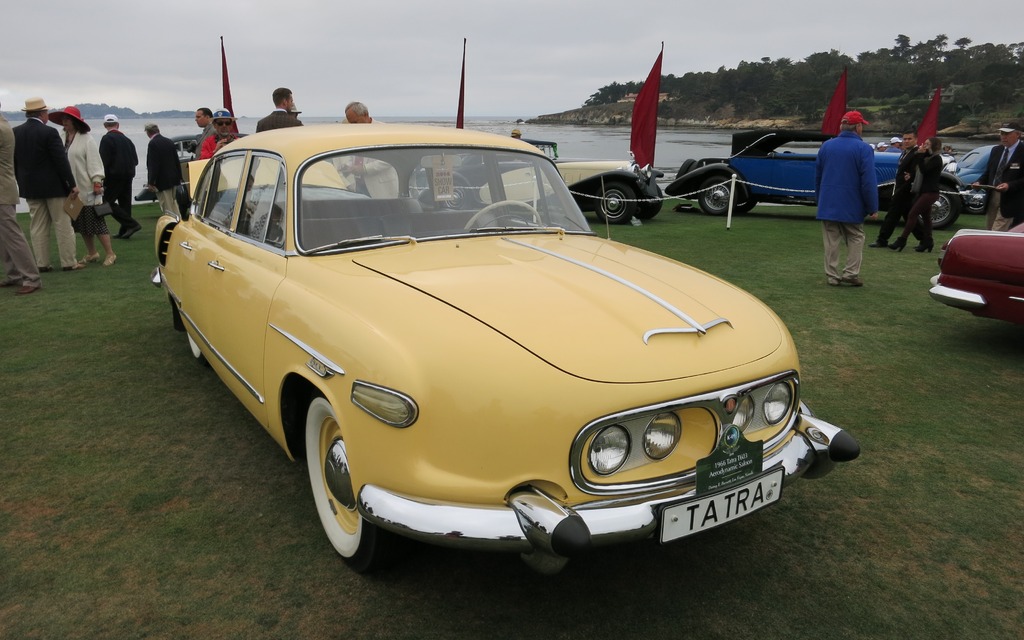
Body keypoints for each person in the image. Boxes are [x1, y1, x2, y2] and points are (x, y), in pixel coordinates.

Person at [11, 97, 82, 272]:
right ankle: (68, 262)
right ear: (42, 113)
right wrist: (71, 184)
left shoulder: (15, 132)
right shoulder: (49, 133)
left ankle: (42, 263)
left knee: (37, 226)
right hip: (54, 187)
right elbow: (61, 161)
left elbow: (14, 161)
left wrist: (20, 182)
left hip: (30, 187)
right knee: (62, 224)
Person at [814, 110, 878, 287]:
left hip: (828, 202)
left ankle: (832, 275)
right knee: (856, 237)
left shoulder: (826, 146)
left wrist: (820, 200)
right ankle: (851, 273)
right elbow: (868, 181)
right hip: (852, 203)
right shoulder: (864, 149)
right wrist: (872, 206)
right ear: (858, 127)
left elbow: (818, 177)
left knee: (831, 240)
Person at [50, 106, 116, 266]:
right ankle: (92, 253)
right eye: (63, 119)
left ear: (75, 121)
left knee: (96, 222)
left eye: (67, 119)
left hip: (87, 188)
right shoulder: (60, 137)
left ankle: (110, 253)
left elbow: (95, 163)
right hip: (70, 189)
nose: (64, 122)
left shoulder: (87, 139)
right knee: (80, 223)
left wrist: (97, 182)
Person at [0, 102, 42, 294]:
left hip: (2, 190)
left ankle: (31, 278)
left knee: (12, 235)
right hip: (4, 188)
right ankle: (14, 274)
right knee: (4, 237)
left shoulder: (1, 128)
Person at [869, 130, 924, 248]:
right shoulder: (905, 152)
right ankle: (925, 240)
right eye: (905, 139)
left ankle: (882, 239)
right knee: (909, 215)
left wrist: (911, 177)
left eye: (909, 139)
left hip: (905, 189)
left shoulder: (917, 153)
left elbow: (919, 168)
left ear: (916, 140)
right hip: (900, 187)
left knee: (892, 214)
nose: (907, 141)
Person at [890, 137, 944, 253]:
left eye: (928, 144)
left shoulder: (937, 159)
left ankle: (902, 239)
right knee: (926, 217)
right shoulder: (928, 157)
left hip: (930, 192)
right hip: (924, 191)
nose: (925, 145)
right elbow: (918, 168)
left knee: (912, 213)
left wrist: (920, 155)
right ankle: (928, 241)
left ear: (933, 146)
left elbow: (924, 169)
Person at [972, 122, 1024, 231]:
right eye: (1002, 133)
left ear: (1018, 134)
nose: (1004, 136)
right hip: (993, 195)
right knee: (990, 229)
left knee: (997, 231)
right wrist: (979, 182)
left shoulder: (1022, 151)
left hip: (1011, 199)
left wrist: (1009, 185)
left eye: (1007, 133)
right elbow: (989, 172)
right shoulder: (996, 150)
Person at [98, 114, 141, 239]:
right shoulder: (127, 140)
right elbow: (136, 160)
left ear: (105, 125)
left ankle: (131, 224)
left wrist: (101, 178)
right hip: (128, 175)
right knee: (125, 203)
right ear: (118, 125)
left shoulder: (106, 139)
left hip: (113, 176)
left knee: (105, 202)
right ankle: (125, 230)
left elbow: (104, 160)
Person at [144, 123, 183, 216]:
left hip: (162, 180)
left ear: (148, 133)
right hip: (173, 178)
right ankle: (179, 222)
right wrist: (179, 177)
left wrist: (151, 182)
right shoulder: (169, 141)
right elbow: (176, 161)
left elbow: (153, 164)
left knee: (166, 206)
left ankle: (171, 224)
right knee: (173, 203)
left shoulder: (153, 143)